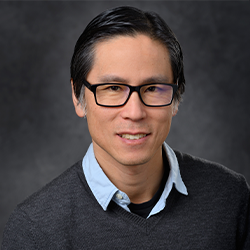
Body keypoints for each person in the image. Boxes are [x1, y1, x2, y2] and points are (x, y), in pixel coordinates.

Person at [2, 6, 249, 249]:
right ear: (78, 97)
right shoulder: (34, 230)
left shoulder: (231, 199)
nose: (134, 113)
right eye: (112, 88)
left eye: (152, 88)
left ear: (176, 97)